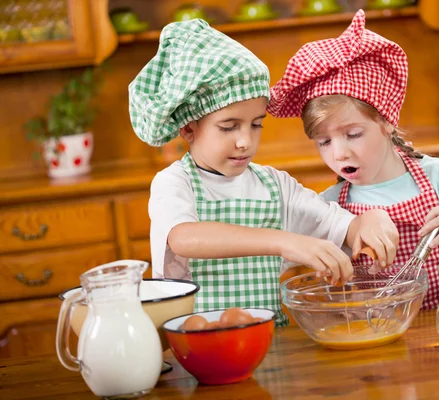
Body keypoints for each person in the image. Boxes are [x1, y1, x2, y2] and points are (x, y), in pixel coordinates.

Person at [128, 19, 399, 326]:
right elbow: (183, 238)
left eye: (256, 124)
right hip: (197, 350)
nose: (245, 141)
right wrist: (284, 241)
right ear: (189, 128)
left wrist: (367, 222)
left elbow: (336, 223)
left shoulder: (274, 185)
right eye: (229, 126)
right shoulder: (175, 182)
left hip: (268, 346)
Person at [267, 10, 439, 309]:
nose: (339, 153)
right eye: (324, 142)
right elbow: (282, 263)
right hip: (376, 338)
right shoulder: (331, 205)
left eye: (353, 134)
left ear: (387, 122)